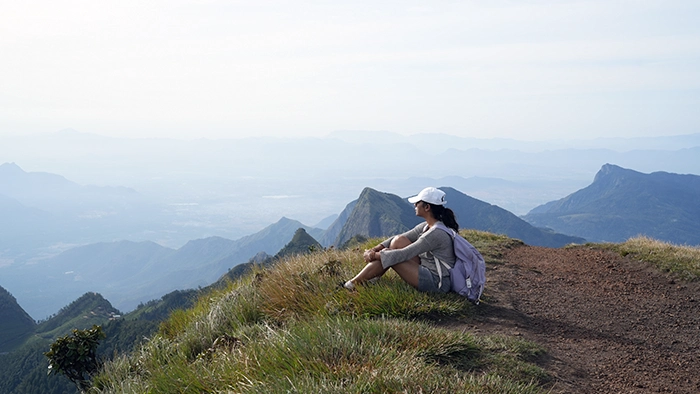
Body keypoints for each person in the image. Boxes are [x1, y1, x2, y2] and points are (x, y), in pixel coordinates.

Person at [344, 187, 459, 292]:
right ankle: (369, 279)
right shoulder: (427, 226)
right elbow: (397, 238)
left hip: (438, 283)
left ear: (427, 207)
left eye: (417, 203)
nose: (414, 205)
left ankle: (352, 284)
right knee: (398, 240)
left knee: (390, 255)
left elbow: (405, 254)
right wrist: (375, 248)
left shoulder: (435, 233)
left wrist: (374, 255)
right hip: (428, 270)